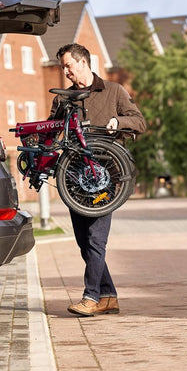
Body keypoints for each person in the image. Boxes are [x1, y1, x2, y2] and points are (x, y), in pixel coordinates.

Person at [49, 43, 146, 316]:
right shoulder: (63, 99)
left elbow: (139, 121)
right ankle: (108, 295)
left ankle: (91, 297)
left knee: (95, 240)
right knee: (84, 241)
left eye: (68, 65)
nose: (65, 71)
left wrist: (118, 121)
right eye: (63, 67)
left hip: (106, 179)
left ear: (82, 62)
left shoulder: (113, 91)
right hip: (75, 184)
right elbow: (51, 130)